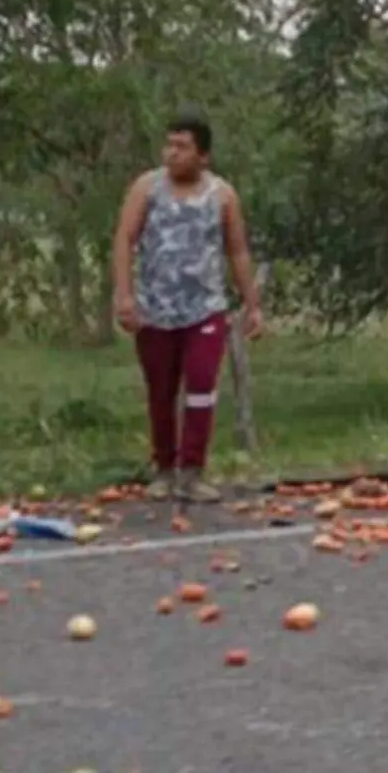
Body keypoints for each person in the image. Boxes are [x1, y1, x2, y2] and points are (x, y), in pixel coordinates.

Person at [111, 111, 265, 503]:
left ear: (203, 156)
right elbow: (124, 240)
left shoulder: (223, 195)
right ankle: (164, 467)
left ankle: (193, 471)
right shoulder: (146, 189)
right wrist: (125, 295)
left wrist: (252, 305)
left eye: (182, 147)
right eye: (169, 145)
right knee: (161, 390)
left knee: (200, 384)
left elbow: (238, 250)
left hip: (205, 309)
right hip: (155, 309)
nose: (172, 154)